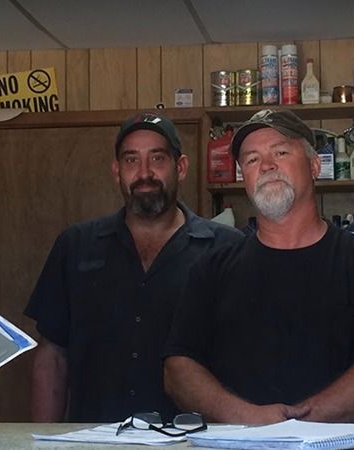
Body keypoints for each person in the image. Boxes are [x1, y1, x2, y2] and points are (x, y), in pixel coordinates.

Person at [163, 109, 354, 424]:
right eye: (252, 160)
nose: (267, 166)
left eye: (281, 152)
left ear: (314, 166)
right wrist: (251, 420)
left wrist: (299, 425)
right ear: (244, 176)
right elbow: (178, 370)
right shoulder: (211, 271)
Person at [25, 112, 243, 423]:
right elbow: (53, 359)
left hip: (194, 442)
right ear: (116, 172)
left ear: (180, 167)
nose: (144, 173)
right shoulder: (75, 245)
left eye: (157, 158)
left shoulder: (227, 249)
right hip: (94, 441)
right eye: (131, 161)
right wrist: (43, 444)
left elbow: (248, 356)